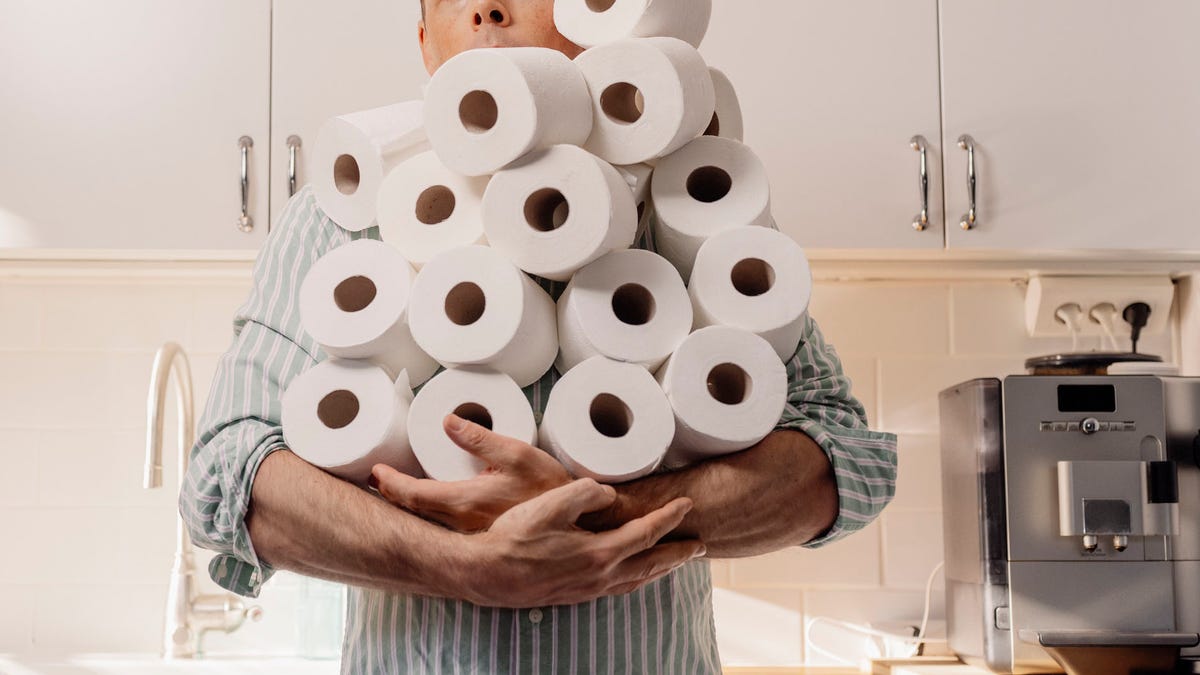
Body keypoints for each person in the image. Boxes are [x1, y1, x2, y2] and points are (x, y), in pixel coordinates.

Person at [179, 0, 898, 672]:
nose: (488, 5)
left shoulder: (688, 202)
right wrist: (458, 564)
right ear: (427, 45)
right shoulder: (343, 214)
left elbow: (843, 456)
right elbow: (225, 473)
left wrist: (606, 516)